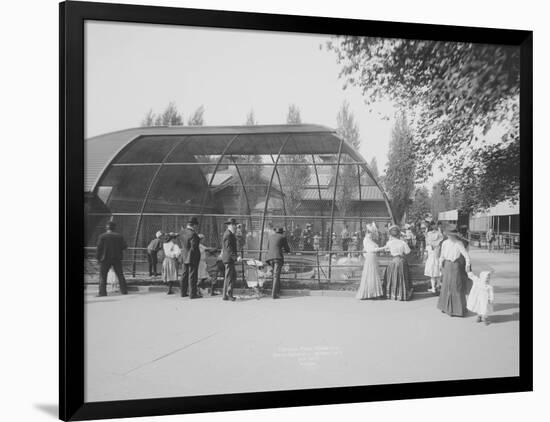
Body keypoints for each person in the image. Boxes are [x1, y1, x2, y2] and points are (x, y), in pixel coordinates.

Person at [437, 228, 471, 317]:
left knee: (456, 286)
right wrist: (440, 264)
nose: (450, 236)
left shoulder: (458, 243)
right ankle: (445, 307)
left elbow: (466, 255)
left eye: (452, 235)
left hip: (456, 266)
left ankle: (458, 310)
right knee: (446, 286)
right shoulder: (444, 243)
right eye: (448, 234)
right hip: (447, 265)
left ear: (455, 235)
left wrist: (467, 265)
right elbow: (442, 255)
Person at [96, 221, 128, 296]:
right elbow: (124, 246)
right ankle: (124, 291)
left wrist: (97, 258)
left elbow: (99, 248)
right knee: (120, 274)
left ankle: (102, 292)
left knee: (103, 276)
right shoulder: (119, 236)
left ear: (106, 228)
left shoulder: (102, 236)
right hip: (117, 258)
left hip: (105, 258)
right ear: (114, 228)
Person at [382, 225, 412, 301]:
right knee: (402, 277)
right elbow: (408, 251)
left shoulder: (389, 242)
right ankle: (402, 294)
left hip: (394, 261)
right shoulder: (402, 242)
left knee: (393, 277)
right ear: (399, 234)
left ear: (391, 234)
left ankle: (393, 294)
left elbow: (386, 250)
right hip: (401, 261)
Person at [356, 225, 385, 300]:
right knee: (371, 274)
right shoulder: (366, 240)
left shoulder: (369, 239)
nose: (372, 234)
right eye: (371, 233)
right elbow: (371, 250)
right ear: (368, 233)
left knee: (374, 274)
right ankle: (369, 293)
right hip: (371, 257)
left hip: (373, 258)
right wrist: (383, 248)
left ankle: (375, 293)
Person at [179, 217, 201, 299]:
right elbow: (194, 247)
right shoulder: (193, 234)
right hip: (192, 257)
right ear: (194, 225)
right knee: (193, 275)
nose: (196, 227)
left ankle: (183, 292)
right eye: (196, 225)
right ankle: (193, 294)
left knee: (184, 274)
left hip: (184, 256)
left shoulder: (182, 232)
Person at [265, 227, 291, 299]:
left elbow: (269, 247)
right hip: (277, 258)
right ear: (282, 232)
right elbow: (287, 249)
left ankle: (277, 291)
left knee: (275, 274)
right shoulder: (283, 237)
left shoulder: (270, 237)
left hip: (270, 258)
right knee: (276, 275)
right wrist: (286, 250)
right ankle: (274, 294)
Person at [221, 218, 241, 301]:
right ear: (231, 225)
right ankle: (228, 295)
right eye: (235, 225)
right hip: (229, 259)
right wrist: (236, 257)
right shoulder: (228, 234)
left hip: (229, 258)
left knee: (230, 277)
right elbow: (229, 248)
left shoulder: (229, 233)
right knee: (230, 277)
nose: (236, 226)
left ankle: (226, 295)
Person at [424, 222, 444, 293]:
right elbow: (441, 237)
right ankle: (438, 286)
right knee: (438, 274)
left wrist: (424, 260)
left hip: (430, 261)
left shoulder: (428, 246)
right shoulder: (438, 246)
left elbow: (426, 254)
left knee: (432, 276)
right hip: (437, 261)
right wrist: (439, 230)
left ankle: (433, 288)